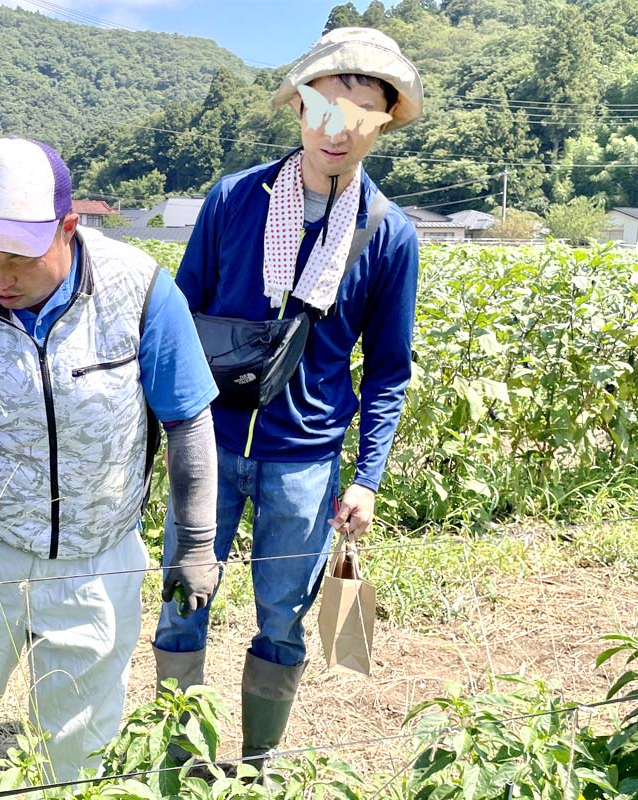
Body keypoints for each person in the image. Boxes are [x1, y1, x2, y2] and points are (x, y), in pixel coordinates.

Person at [0, 137, 220, 800]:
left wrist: (196, 542)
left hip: (98, 555)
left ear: (68, 228)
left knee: (79, 743)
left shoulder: (141, 293)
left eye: (17, 257)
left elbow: (188, 423)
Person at [153, 27, 423, 767]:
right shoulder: (236, 198)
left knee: (283, 617)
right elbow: (179, 319)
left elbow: (389, 369)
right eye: (326, 106)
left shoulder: (389, 234)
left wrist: (366, 477)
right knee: (183, 600)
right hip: (208, 445)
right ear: (300, 108)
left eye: (363, 113)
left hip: (305, 459)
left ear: (384, 124)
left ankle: (257, 761)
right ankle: (178, 758)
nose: (339, 129)